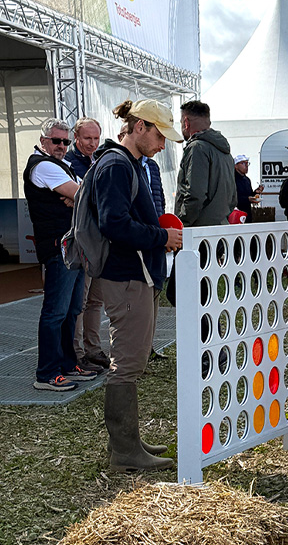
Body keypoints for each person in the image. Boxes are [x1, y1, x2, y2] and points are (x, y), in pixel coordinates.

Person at [90, 99, 184, 471]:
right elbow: (114, 224)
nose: (163, 145)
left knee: (131, 359)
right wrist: (161, 237)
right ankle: (124, 451)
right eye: (160, 136)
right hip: (128, 274)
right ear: (140, 126)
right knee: (128, 363)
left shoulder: (124, 163)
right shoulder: (117, 165)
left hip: (133, 273)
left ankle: (127, 443)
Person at [23, 119, 97, 390]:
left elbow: (85, 194)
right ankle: (46, 373)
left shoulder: (60, 165)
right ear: (43, 141)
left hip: (71, 246)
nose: (62, 146)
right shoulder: (43, 165)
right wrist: (78, 197)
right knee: (56, 312)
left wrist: (78, 198)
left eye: (65, 142)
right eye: (56, 141)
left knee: (71, 310)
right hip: (58, 247)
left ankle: (66, 364)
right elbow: (85, 195)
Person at [63, 117, 111, 373]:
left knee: (95, 300)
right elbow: (82, 198)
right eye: (87, 138)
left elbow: (97, 197)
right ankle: (77, 353)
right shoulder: (68, 164)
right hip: (82, 242)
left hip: (100, 240)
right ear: (76, 138)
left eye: (96, 138)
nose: (92, 143)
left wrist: (82, 197)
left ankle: (93, 349)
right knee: (79, 302)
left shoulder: (99, 161)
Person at [175, 100, 237, 226]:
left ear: (186, 123)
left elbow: (195, 194)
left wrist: (182, 222)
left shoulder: (197, 148)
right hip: (221, 227)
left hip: (198, 230)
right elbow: (233, 198)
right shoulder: (225, 153)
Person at [233, 154, 263, 222]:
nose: (246, 166)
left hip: (247, 214)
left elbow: (249, 195)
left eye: (247, 163)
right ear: (236, 166)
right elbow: (231, 198)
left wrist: (256, 192)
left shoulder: (247, 180)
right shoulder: (232, 179)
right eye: (243, 163)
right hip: (235, 214)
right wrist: (247, 199)